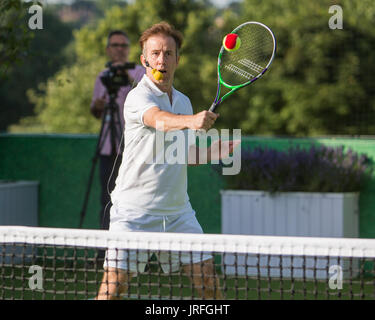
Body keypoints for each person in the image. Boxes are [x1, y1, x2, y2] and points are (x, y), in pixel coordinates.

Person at [97, 22, 238, 300]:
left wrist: (213, 152)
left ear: (177, 59)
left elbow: (180, 154)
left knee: (209, 282)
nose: (162, 59)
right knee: (114, 290)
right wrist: (192, 121)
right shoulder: (139, 96)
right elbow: (158, 120)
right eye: (155, 53)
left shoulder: (183, 101)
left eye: (168, 53)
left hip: (178, 213)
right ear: (144, 60)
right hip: (133, 213)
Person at [90, 30, 145, 232]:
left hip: (134, 147)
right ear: (108, 50)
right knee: (106, 198)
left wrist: (126, 74)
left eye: (123, 45)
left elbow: (149, 97)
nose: (120, 49)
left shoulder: (140, 72)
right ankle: (106, 246)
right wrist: (98, 105)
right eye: (115, 45)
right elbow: (95, 112)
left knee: (136, 198)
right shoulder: (103, 77)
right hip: (108, 148)